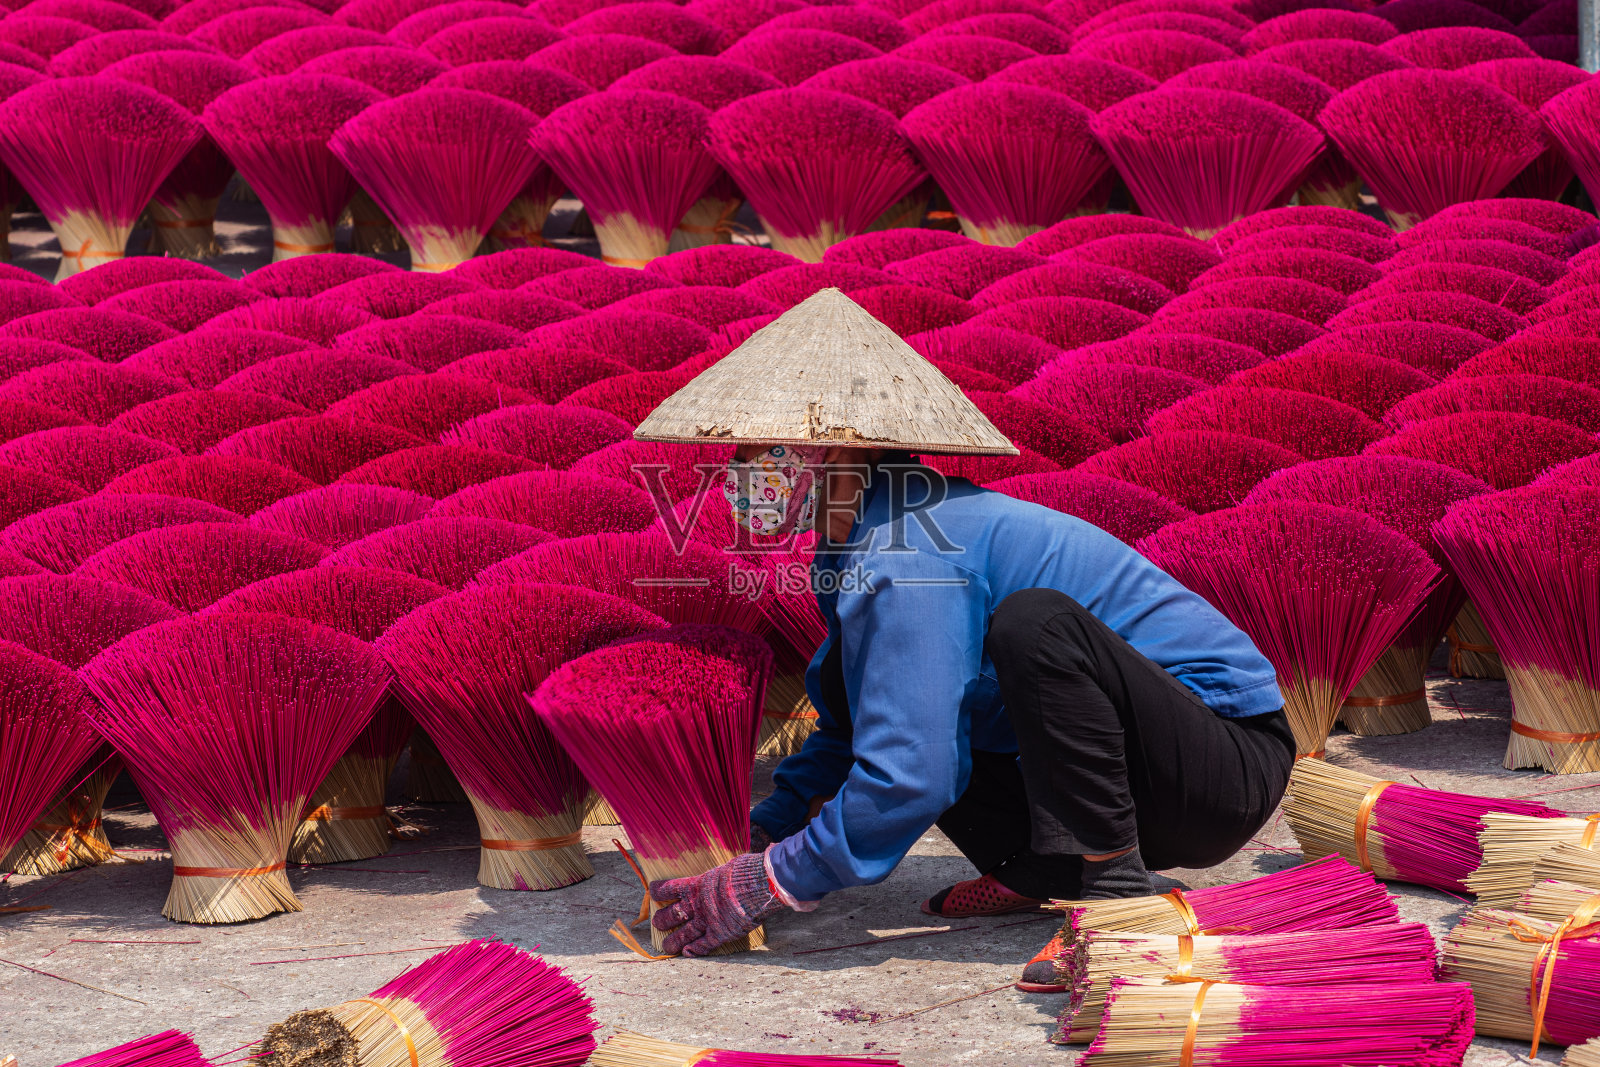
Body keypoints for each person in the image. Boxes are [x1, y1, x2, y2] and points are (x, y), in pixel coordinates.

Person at [631, 289, 1296, 992]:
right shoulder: (852, 545)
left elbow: (912, 776)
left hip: (1220, 765)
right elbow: (859, 718)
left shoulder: (909, 549)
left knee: (1033, 626)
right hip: (1137, 775)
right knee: (904, 698)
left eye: (765, 446)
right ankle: (1046, 866)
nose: (740, 469)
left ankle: (1117, 899)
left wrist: (774, 880)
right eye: (739, 449)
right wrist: (771, 824)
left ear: (838, 450)